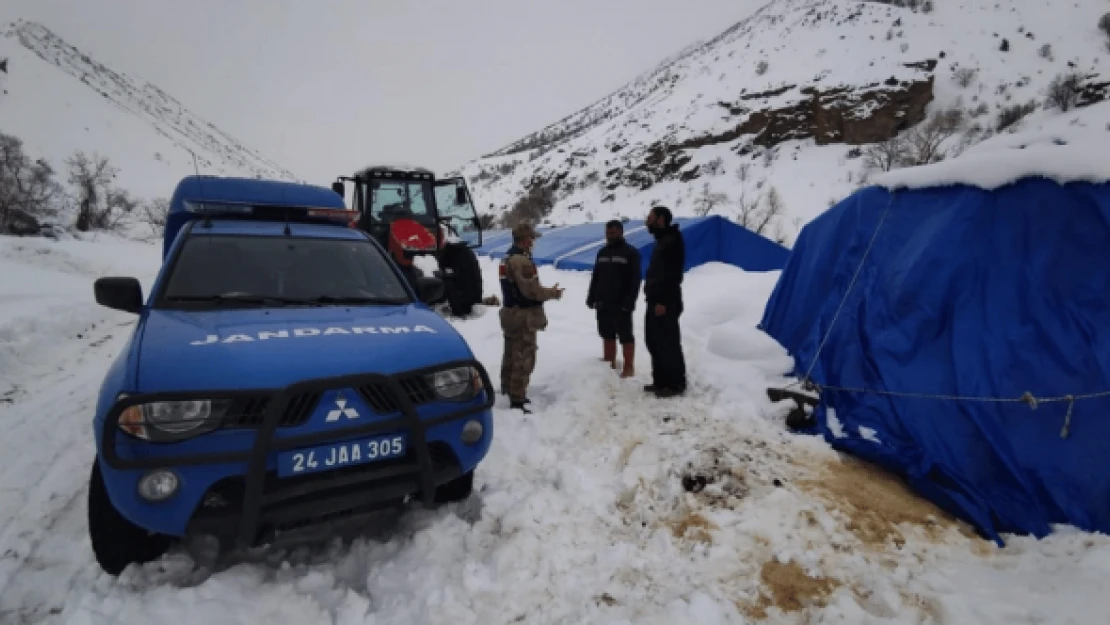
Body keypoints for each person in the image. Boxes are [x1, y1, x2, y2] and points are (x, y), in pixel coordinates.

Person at [499, 222, 564, 413]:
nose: (533, 242)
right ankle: (517, 397)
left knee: (510, 353)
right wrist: (553, 293)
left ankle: (507, 387)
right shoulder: (522, 262)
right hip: (522, 316)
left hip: (510, 313)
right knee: (524, 355)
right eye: (532, 239)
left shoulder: (507, 259)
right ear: (525, 240)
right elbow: (531, 291)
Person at [586, 219, 642, 378]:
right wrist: (591, 296)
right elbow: (596, 276)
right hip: (603, 302)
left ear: (621, 232)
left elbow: (635, 280)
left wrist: (630, 300)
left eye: (612, 232)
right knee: (606, 333)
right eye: (607, 232)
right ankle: (609, 362)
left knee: (625, 335)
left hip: (621, 303)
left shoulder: (631, 253)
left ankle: (628, 367)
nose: (609, 235)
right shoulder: (602, 252)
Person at [642, 206, 687, 397]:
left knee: (667, 342)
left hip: (665, 301)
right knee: (654, 341)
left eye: (650, 217)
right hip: (654, 300)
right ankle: (660, 381)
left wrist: (663, 301)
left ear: (660, 219)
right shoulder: (662, 240)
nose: (647, 221)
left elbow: (671, 275)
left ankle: (675, 383)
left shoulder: (672, 241)